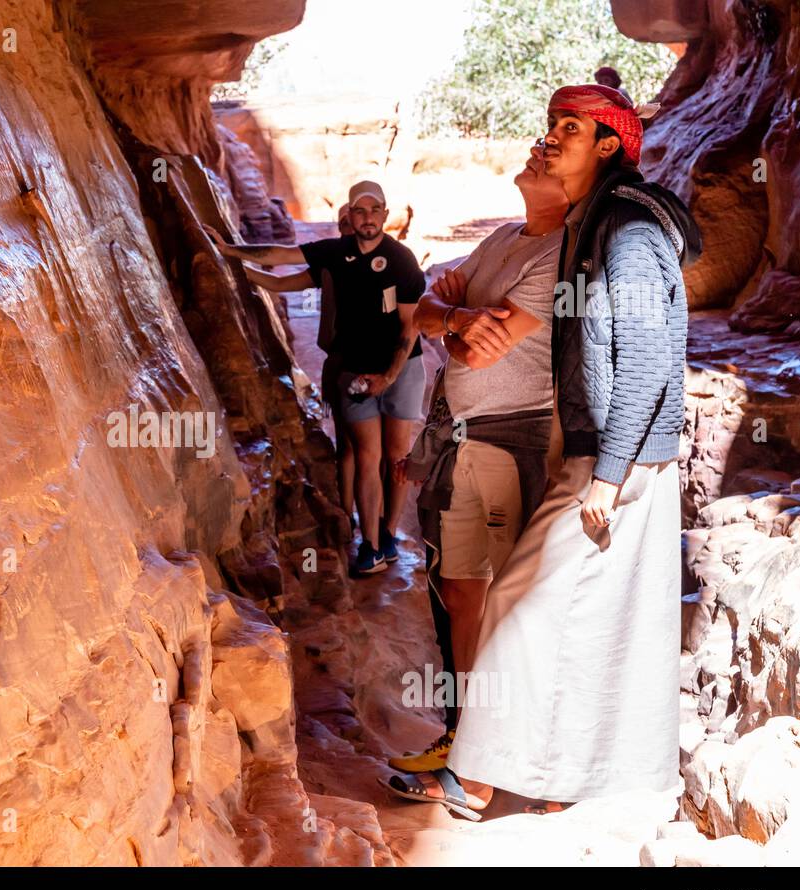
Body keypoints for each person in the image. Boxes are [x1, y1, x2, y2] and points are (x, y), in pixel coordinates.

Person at [387, 83, 701, 819]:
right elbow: (441, 315)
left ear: (610, 146)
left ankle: (480, 776)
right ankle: (562, 778)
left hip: (617, 462)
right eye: (552, 123)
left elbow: (651, 354)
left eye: (571, 127)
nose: (552, 137)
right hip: (605, 458)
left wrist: (609, 473)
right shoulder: (598, 224)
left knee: (520, 605)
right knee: (578, 616)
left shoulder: (624, 228)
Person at [387, 142, 567, 775]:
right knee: (462, 594)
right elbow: (426, 310)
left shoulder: (558, 253)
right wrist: (454, 315)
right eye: (541, 139)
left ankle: (514, 750)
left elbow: (474, 353)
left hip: (506, 433)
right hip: (464, 433)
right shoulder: (501, 239)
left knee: (501, 598)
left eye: (556, 145)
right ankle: (469, 738)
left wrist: (449, 323)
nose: (539, 149)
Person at [205, 181, 427, 575]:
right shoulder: (334, 254)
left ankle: (388, 532)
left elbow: (409, 330)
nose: (368, 218)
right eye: (359, 211)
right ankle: (371, 546)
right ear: (350, 216)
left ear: (384, 213)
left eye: (375, 210)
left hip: (401, 368)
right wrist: (228, 252)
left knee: (395, 455)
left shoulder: (401, 260)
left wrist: (388, 378)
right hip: (355, 371)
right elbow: (279, 260)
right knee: (367, 454)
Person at [242, 201, 361, 531]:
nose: (347, 230)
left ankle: (377, 531)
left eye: (352, 224)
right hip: (341, 364)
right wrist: (232, 260)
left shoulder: (385, 263)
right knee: (349, 445)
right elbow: (280, 281)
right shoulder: (332, 264)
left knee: (370, 447)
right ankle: (351, 516)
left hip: (371, 365)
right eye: (344, 224)